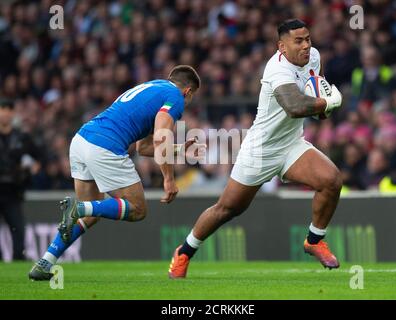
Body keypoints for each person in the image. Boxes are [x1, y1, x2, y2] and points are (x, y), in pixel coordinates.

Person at [168, 19, 343, 279]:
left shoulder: (313, 58)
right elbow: (294, 107)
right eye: (298, 41)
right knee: (227, 209)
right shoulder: (276, 69)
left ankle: (314, 240)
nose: (306, 45)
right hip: (260, 149)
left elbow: (317, 105)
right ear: (281, 47)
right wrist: (327, 102)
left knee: (332, 180)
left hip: (291, 144)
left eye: (308, 39)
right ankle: (184, 251)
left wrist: (326, 105)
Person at [29, 65, 202, 280]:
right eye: (190, 98)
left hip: (81, 141)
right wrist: (169, 179)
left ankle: (45, 262)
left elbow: (143, 147)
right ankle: (79, 207)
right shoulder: (175, 96)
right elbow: (160, 139)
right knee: (138, 209)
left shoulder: (153, 89)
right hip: (105, 146)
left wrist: (177, 149)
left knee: (92, 213)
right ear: (188, 92)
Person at [0, 98, 40, 261]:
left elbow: (40, 157)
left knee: (18, 231)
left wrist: (34, 166)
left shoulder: (22, 137)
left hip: (13, 192)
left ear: (13, 113)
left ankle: (18, 261)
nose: (5, 114)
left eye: (8, 110)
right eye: (2, 109)